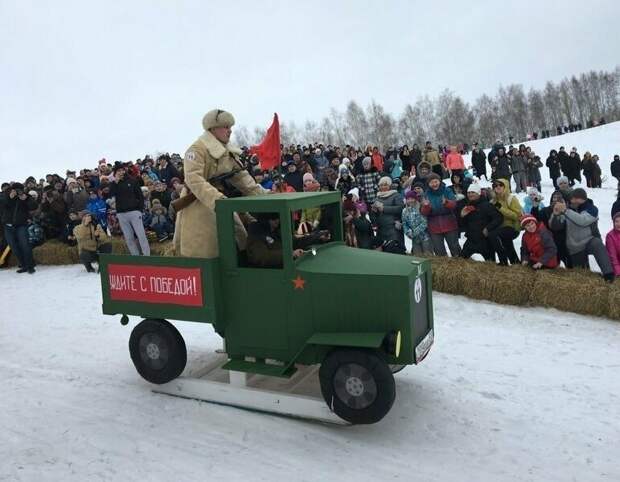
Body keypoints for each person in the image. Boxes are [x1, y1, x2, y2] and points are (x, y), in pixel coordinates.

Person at [174, 109, 265, 258]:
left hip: (218, 199)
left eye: (230, 127)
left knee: (239, 235)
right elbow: (193, 179)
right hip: (199, 200)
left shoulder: (228, 151)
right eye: (226, 127)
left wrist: (263, 194)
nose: (230, 131)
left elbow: (241, 177)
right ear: (213, 128)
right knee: (203, 247)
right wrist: (217, 200)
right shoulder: (197, 149)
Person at [549, 188, 614, 283]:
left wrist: (566, 211)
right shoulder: (567, 209)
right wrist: (555, 215)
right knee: (583, 277)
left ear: (579, 199)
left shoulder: (592, 209)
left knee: (597, 244)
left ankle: (609, 275)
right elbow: (555, 226)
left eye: (574, 198)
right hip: (575, 247)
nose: (571, 201)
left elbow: (582, 221)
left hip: (590, 241)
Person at [246, 212, 329, 268]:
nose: (277, 221)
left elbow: (295, 242)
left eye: (277, 218)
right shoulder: (256, 234)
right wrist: (291, 254)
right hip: (273, 272)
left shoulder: (277, 231)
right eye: (273, 218)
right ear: (265, 219)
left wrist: (317, 237)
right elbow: (262, 257)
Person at [109, 164, 150, 256]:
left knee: (141, 235)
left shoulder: (132, 181)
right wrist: (115, 182)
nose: (120, 172)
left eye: (122, 170)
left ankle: (147, 256)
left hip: (134, 212)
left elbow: (140, 196)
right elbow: (110, 195)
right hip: (121, 213)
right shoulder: (113, 184)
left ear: (124, 170)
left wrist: (139, 209)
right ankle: (135, 257)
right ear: (115, 173)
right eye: (118, 171)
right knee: (128, 238)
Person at [459, 183, 503, 261]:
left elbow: (499, 218)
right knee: (461, 261)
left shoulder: (487, 205)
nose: (470, 194)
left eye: (473, 192)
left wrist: (488, 228)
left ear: (478, 193)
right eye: (469, 193)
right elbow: (463, 225)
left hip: (485, 240)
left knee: (490, 265)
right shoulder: (467, 206)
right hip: (471, 240)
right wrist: (462, 216)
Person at [420, 173, 460, 256]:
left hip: (449, 223)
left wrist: (446, 202)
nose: (434, 184)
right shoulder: (426, 194)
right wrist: (426, 206)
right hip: (434, 226)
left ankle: (460, 265)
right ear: (428, 184)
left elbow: (454, 205)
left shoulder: (447, 190)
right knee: (439, 250)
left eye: (436, 181)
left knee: (454, 247)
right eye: (432, 183)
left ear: (439, 181)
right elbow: (423, 212)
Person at [1, 183, 37, 273]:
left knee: (25, 245)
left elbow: (34, 206)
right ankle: (23, 265)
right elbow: (2, 204)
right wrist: (10, 197)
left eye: (19, 190)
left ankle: (30, 266)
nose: (17, 192)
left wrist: (27, 199)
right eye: (15, 190)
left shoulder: (25, 196)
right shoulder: (5, 195)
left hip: (21, 225)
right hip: (8, 226)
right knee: (14, 247)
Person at [488, 179, 522, 266]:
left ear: (505, 186)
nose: (498, 187)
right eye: (495, 186)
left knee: (493, 235)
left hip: (513, 227)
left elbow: (517, 216)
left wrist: (500, 207)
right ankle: (516, 263)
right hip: (500, 228)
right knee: (507, 244)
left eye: (500, 185)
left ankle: (503, 261)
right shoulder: (492, 201)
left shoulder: (511, 199)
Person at [371, 176, 405, 253]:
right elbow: (374, 217)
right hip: (381, 229)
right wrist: (373, 211)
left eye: (385, 185)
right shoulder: (377, 197)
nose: (383, 187)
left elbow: (400, 208)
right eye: (381, 185)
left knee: (395, 249)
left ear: (390, 186)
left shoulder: (396, 195)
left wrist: (384, 208)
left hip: (393, 228)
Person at [402, 191, 433, 256]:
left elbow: (424, 222)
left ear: (415, 199)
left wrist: (414, 232)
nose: (410, 200)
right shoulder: (405, 211)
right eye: (408, 199)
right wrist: (408, 232)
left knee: (428, 254)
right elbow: (404, 223)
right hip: (414, 239)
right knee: (417, 256)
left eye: (412, 198)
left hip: (425, 237)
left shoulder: (420, 207)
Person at [605, 212, 620, 278]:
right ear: (613, 222)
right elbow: (613, 257)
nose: (619, 224)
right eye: (616, 221)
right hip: (615, 265)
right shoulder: (610, 236)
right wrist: (618, 272)